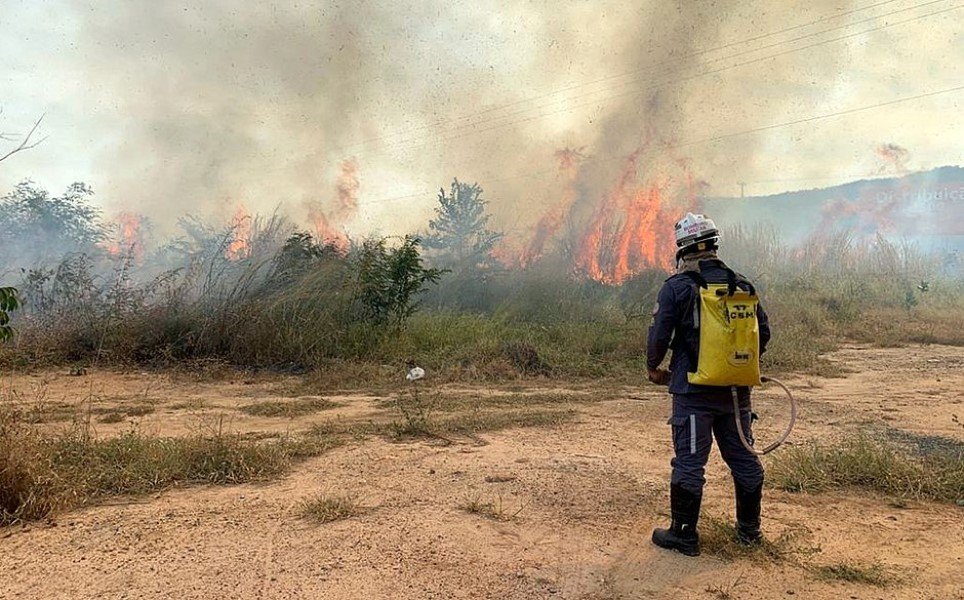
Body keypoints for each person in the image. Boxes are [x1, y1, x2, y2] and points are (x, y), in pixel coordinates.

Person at [646, 213, 771, 557]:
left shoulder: (677, 286)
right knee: (744, 459)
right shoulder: (742, 285)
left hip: (693, 393)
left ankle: (684, 535)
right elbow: (764, 334)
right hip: (736, 395)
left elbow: (659, 335)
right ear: (714, 245)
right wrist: (737, 369)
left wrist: (654, 367)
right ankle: (749, 532)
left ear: (682, 249)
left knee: (689, 462)